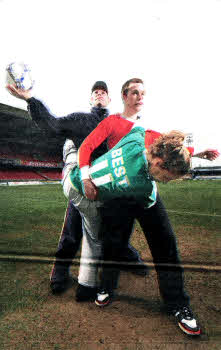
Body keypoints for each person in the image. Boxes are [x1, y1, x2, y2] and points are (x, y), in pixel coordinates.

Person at [65, 77, 219, 336]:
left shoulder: (140, 131)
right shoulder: (112, 122)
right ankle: (106, 286)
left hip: (142, 187)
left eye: (143, 93)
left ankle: (178, 304)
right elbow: (88, 146)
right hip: (118, 191)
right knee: (113, 242)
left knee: (165, 244)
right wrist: (86, 176)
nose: (139, 97)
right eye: (134, 92)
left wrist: (197, 152)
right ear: (124, 96)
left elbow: (168, 145)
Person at [6, 80, 147, 301]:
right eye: (96, 92)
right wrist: (30, 100)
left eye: (103, 92)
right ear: (91, 99)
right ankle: (59, 273)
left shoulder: (120, 124)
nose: (99, 94)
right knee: (72, 232)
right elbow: (51, 124)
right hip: (83, 183)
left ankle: (128, 257)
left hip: (110, 186)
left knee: (116, 227)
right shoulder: (80, 119)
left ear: (110, 99)